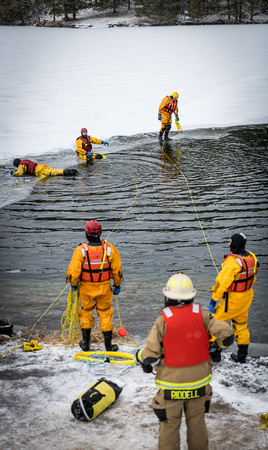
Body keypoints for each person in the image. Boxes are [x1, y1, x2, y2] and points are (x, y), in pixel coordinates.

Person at [136, 272, 233, 450]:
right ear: (192, 296)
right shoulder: (203, 315)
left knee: (169, 427)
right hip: (199, 384)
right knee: (197, 424)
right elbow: (227, 336)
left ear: (167, 296)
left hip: (171, 388)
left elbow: (150, 355)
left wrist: (142, 360)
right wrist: (216, 346)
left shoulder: (163, 320)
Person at [66, 220, 123, 352]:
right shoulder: (110, 248)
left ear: (86, 234)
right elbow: (117, 270)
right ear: (100, 233)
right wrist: (117, 285)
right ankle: (109, 347)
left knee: (85, 313)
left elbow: (73, 272)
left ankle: (86, 345)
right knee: (105, 314)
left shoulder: (81, 250)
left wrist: (73, 285)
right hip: (105, 288)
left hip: (86, 288)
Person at [209, 232, 259, 364]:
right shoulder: (251, 257)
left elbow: (222, 285)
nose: (228, 244)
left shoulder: (232, 262)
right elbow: (254, 273)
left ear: (234, 245)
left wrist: (214, 300)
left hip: (232, 301)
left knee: (212, 324)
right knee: (241, 327)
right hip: (246, 298)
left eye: (230, 242)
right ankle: (242, 357)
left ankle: (214, 354)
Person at [10, 158, 78, 177]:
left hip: (38, 171)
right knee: (54, 170)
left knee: (53, 173)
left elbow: (19, 173)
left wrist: (13, 173)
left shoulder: (20, 165)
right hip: (40, 166)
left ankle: (69, 172)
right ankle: (68, 171)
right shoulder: (25, 161)